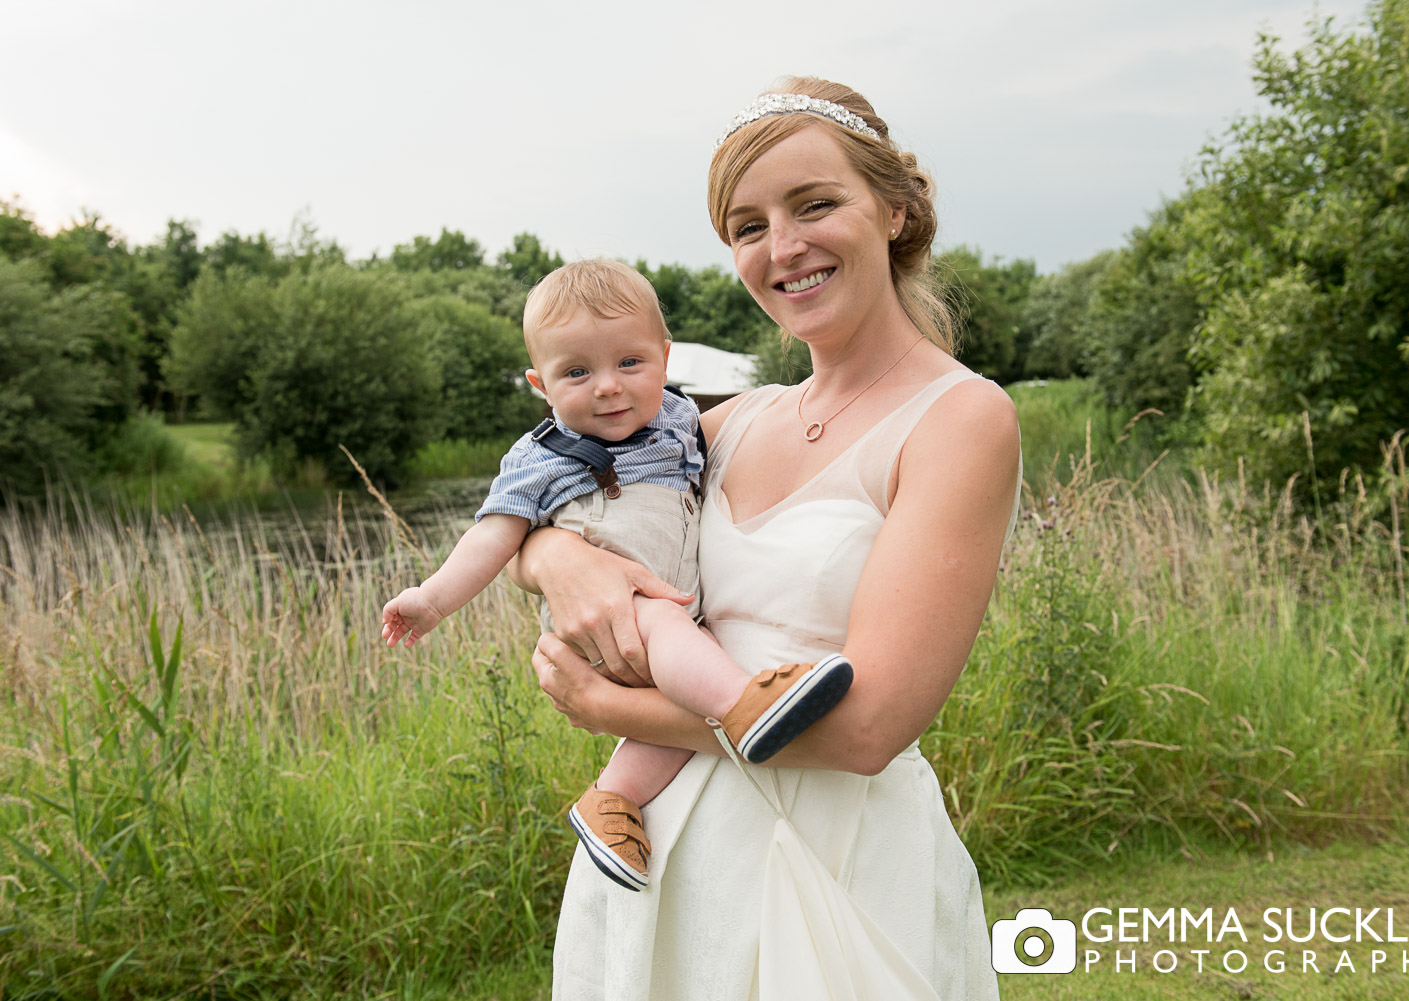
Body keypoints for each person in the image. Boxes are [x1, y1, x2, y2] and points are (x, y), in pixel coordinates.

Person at [515, 78, 1021, 1001]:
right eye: (748, 227)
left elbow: (866, 731)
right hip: (667, 868)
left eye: (815, 204)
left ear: (895, 210)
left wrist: (611, 708)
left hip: (842, 864)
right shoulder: (723, 423)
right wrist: (553, 558)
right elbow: (545, 497)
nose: (783, 248)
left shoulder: (960, 418)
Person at [380, 259, 854, 893]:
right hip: (607, 622)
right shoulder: (541, 455)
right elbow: (495, 535)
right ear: (539, 384)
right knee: (675, 639)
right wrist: (432, 600)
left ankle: (612, 800)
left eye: (629, 364)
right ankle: (745, 708)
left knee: (685, 691)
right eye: (576, 372)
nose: (607, 387)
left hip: (676, 621)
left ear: (663, 357)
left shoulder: (682, 422)